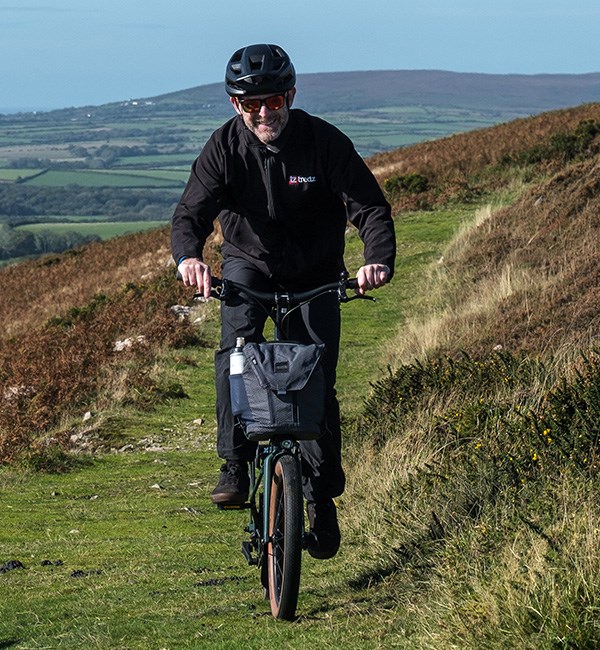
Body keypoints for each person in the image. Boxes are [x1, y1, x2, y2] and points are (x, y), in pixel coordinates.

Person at [171, 43, 396, 559]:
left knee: (315, 381)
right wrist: (189, 259)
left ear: (291, 95)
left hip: (314, 273)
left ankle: (320, 497)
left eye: (273, 101)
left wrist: (376, 258)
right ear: (236, 107)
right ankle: (234, 463)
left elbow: (369, 208)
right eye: (252, 106)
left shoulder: (323, 142)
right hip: (249, 268)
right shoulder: (224, 148)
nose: (265, 113)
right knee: (235, 359)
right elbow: (190, 214)